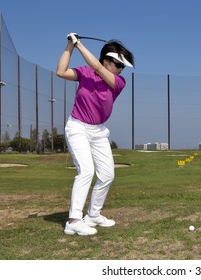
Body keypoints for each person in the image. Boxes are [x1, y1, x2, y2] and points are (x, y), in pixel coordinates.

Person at [56, 33, 134, 235]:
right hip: (77, 128)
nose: (120, 69)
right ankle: (73, 220)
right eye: (118, 64)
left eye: (122, 66)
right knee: (86, 171)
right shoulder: (85, 72)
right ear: (107, 60)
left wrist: (78, 43)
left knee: (107, 174)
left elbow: (97, 68)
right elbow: (61, 72)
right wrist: (70, 46)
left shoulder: (118, 82)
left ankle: (92, 215)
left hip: (98, 131)